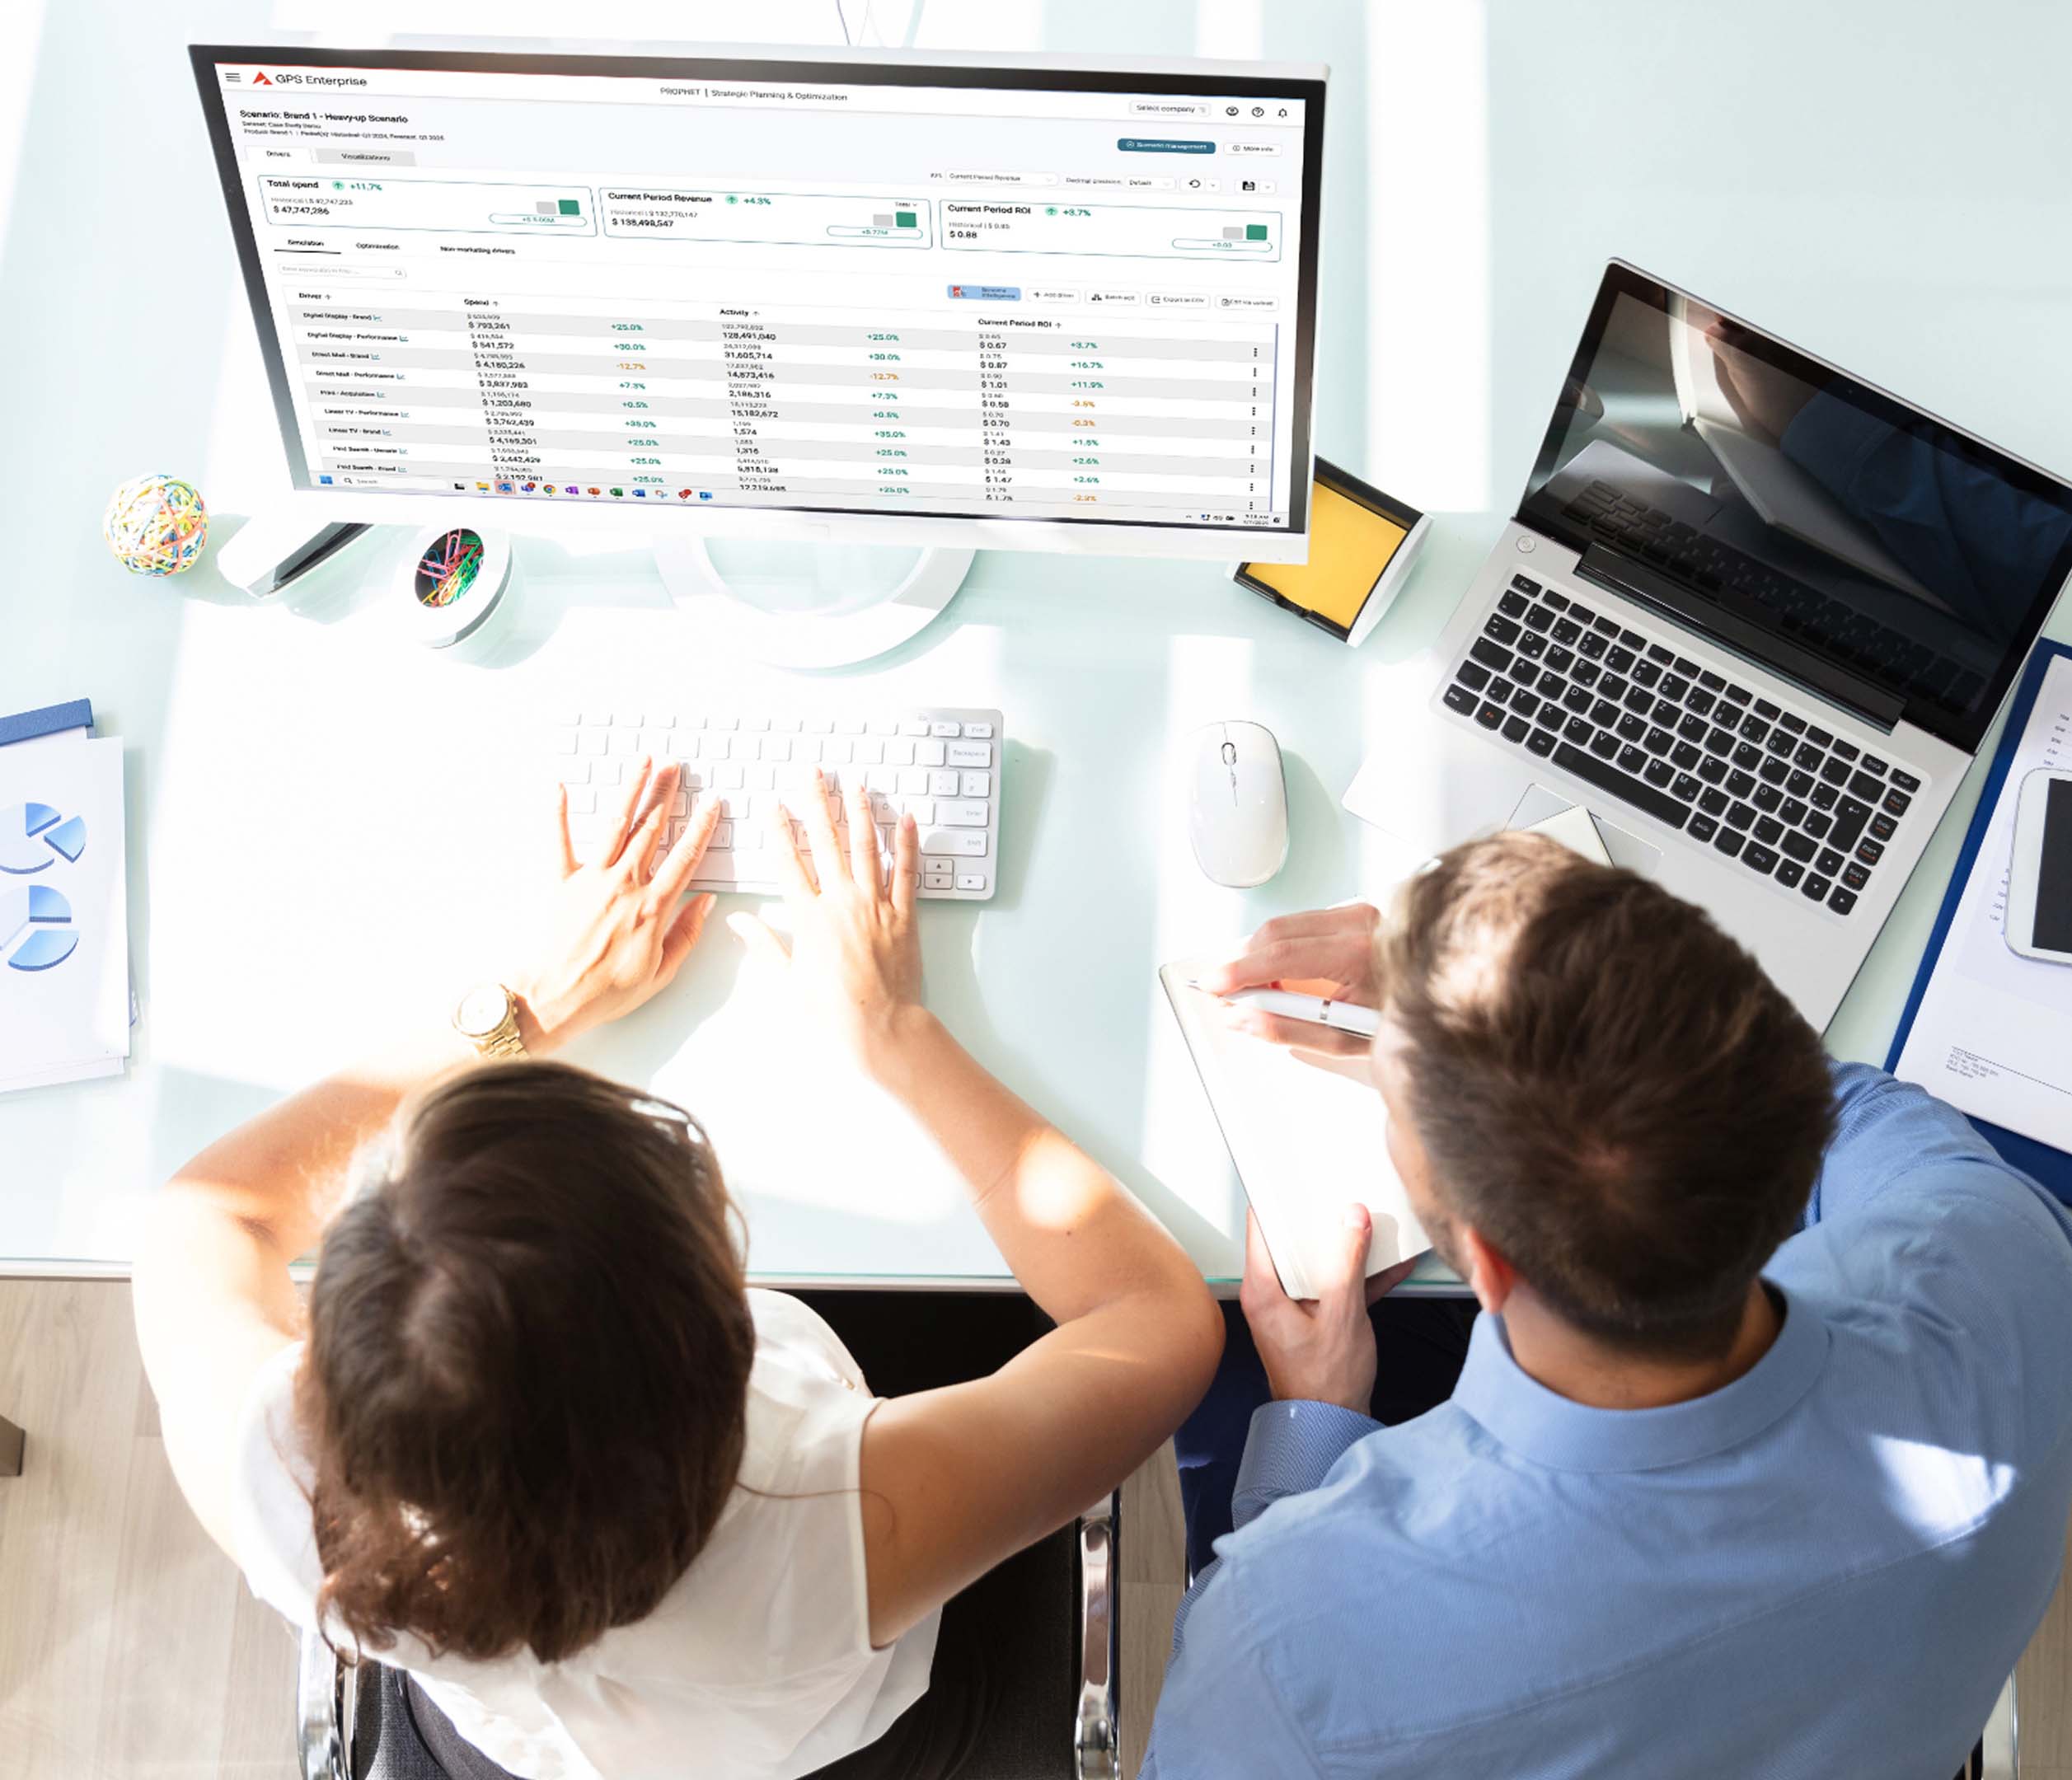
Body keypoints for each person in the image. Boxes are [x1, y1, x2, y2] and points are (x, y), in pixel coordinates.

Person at [132, 758, 1222, 1780]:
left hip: (515, 1752)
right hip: (869, 1739)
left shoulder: (282, 1488)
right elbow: (1158, 1319)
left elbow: (200, 1215)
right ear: (730, 1331)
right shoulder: (855, 1522)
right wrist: (897, 1030)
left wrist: (516, 1010)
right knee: (976, 1310)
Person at [1142, 831, 2072, 1778]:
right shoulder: (2006, 1282)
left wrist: (1315, 1413)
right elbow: (1862, 1115)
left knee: (1215, 1356)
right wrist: (1602, 1015)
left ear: (1487, 1270)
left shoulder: (1283, 1644)